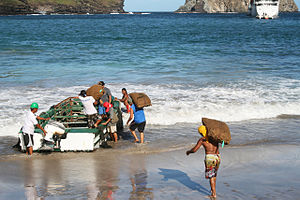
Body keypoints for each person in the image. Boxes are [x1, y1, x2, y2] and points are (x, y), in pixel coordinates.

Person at [186, 125, 220, 199]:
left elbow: (194, 150)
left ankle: (214, 194)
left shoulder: (202, 140)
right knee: (214, 175)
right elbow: (217, 148)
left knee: (211, 176)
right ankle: (213, 190)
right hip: (217, 157)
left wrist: (189, 151)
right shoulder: (214, 138)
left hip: (210, 158)